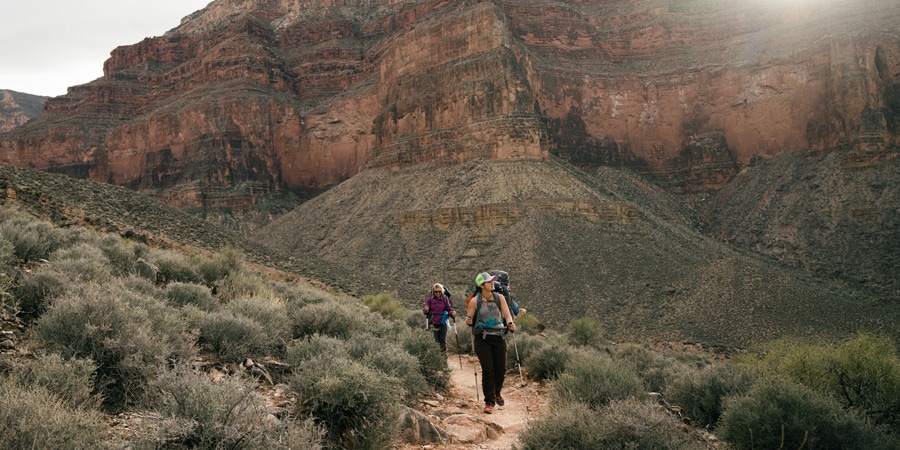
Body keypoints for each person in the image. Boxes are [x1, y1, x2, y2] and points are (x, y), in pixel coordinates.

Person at [466, 272, 516, 414]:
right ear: (481, 285)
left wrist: (510, 323)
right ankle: (489, 402)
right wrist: (468, 320)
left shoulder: (499, 298)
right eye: (489, 282)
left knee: (501, 369)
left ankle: (497, 392)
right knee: (488, 370)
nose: (492, 283)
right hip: (482, 338)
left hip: (499, 336)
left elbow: (506, 314)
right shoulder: (475, 301)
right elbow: (469, 318)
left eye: (493, 281)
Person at [423, 283, 455, 352]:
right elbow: (425, 312)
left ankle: (443, 359)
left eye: (439, 291)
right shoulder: (429, 299)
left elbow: (449, 309)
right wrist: (426, 309)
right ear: (433, 292)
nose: (437, 293)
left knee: (443, 342)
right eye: (436, 291)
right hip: (433, 324)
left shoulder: (445, 298)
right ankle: (436, 359)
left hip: (442, 323)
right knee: (435, 342)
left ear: (442, 291)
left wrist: (452, 313)